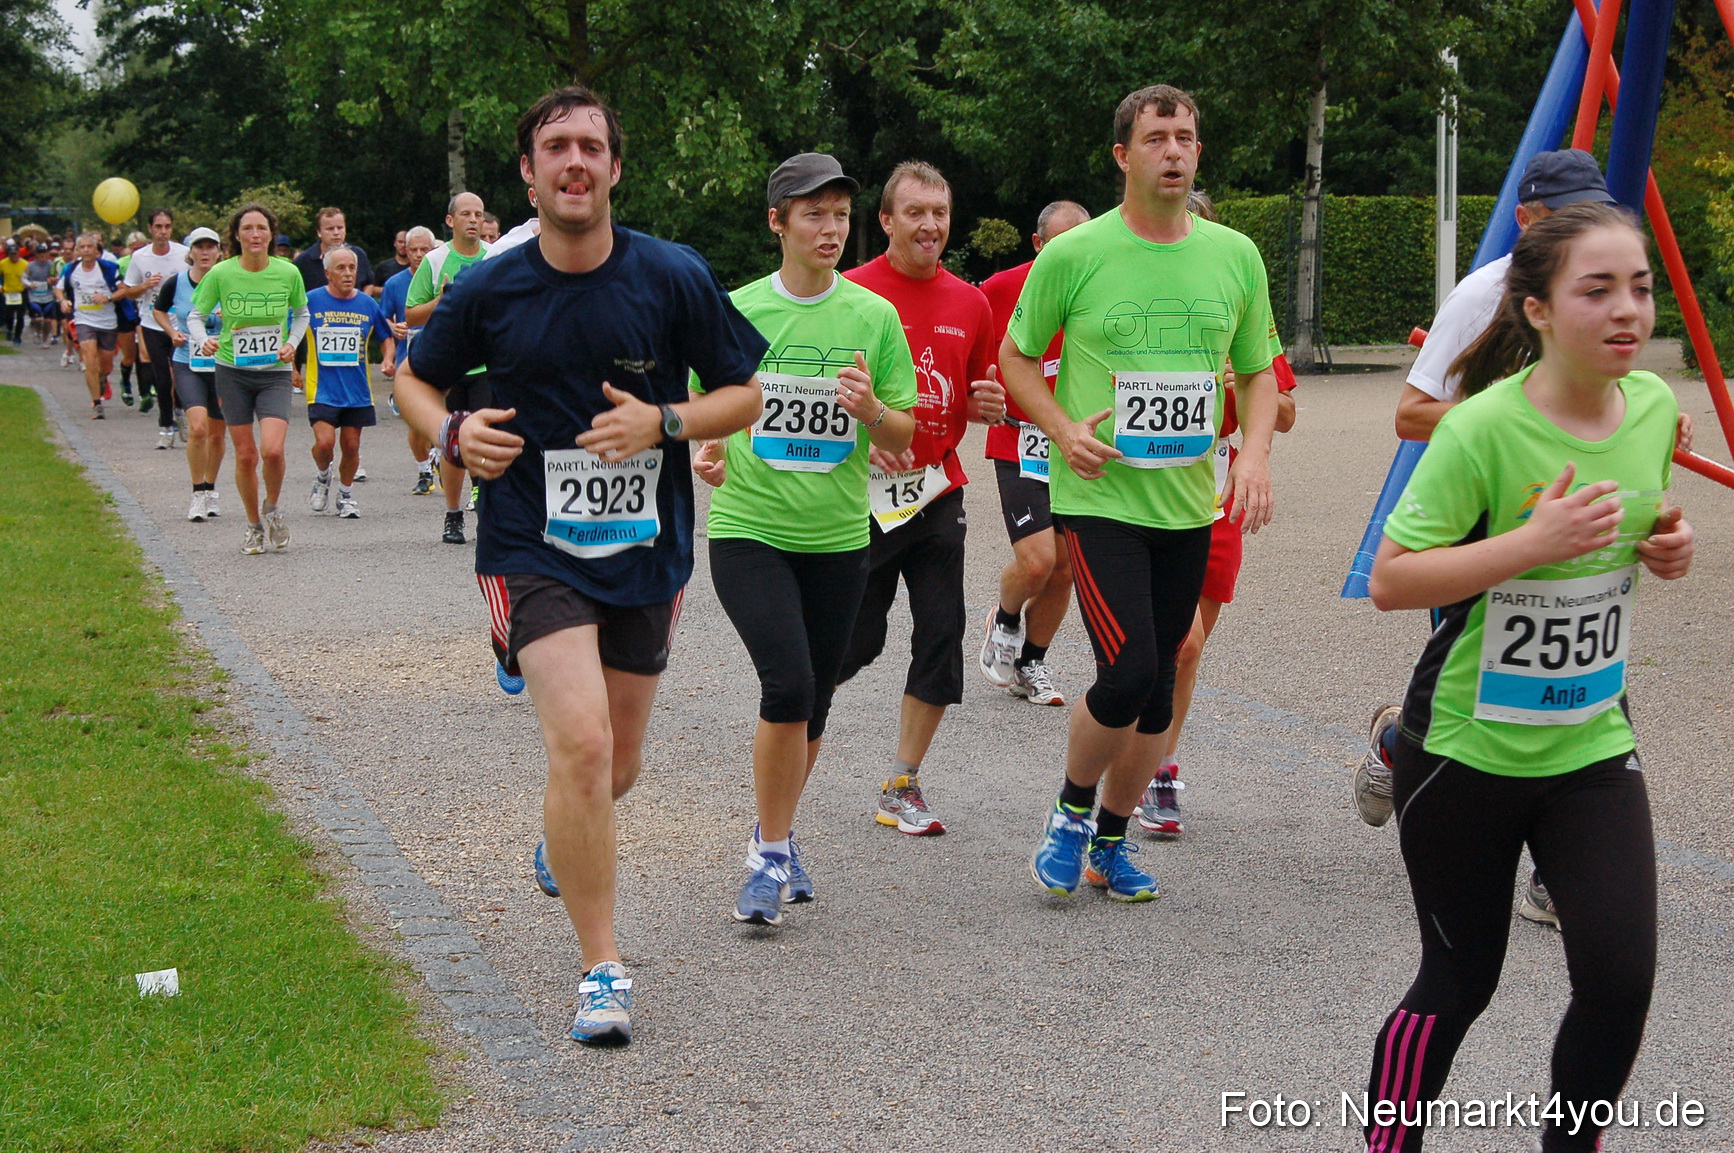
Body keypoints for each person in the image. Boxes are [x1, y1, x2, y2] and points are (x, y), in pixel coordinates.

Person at [392, 86, 766, 1046]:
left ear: (613, 167)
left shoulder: (672, 275)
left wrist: (665, 420)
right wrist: (451, 434)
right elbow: (416, 379)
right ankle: (603, 967)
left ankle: (567, 831)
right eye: (555, 146)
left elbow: (745, 393)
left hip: (645, 551)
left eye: (590, 147)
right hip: (528, 543)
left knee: (617, 763)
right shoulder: (490, 285)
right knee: (585, 747)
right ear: (528, 171)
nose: (573, 162)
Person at [1358, 202, 1692, 1153]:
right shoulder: (1481, 431)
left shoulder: (1657, 407)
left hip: (1592, 739)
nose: (1628, 309)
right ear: (1538, 309)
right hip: (1469, 748)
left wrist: (1666, 542)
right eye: (1597, 289)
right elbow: (1392, 579)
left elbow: (1638, 520)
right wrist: (1528, 543)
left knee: (1621, 980)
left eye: (1640, 287)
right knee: (1460, 984)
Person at [1005, 84, 1278, 902]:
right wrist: (1061, 427)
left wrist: (1255, 455)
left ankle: (1111, 844)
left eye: (1186, 137)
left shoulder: (1235, 256)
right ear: (1124, 155)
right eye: (1157, 137)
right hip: (1100, 500)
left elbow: (1259, 371)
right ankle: (1069, 812)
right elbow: (1017, 361)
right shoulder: (1075, 254)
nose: (1173, 150)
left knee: (1160, 684)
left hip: (1188, 501)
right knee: (1126, 671)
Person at [694, 153, 918, 926]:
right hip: (750, 529)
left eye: (840, 215)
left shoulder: (873, 317)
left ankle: (775, 836)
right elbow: (705, 408)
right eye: (813, 214)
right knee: (786, 685)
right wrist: (707, 447)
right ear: (777, 222)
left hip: (837, 537)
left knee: (814, 704)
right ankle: (767, 856)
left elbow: (908, 431)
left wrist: (871, 412)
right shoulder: (740, 309)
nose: (830, 229)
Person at [834, 160, 1003, 836]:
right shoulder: (849, 293)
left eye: (940, 212)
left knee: (942, 631)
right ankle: (796, 718)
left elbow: (976, 390)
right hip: (860, 499)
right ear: (886, 220)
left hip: (936, 490)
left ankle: (903, 780)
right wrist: (861, 437)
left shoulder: (972, 303)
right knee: (857, 640)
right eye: (915, 212)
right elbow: (819, 395)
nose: (930, 224)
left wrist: (988, 402)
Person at [1130, 188, 1299, 838]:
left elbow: (1283, 409)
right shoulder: (1138, 306)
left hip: (1215, 498)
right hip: (1140, 495)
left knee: (1190, 652)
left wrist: (1240, 385)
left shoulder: (1236, 307)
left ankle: (1160, 761)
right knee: (1177, 642)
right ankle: (1145, 760)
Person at [977, 200, 1091, 706]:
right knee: (1039, 558)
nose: (1072, 255)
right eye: (1060, 244)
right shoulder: (1001, 288)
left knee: (1067, 566)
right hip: (1021, 438)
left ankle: (1032, 663)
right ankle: (1004, 619)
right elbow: (978, 353)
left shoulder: (1104, 288)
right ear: (1039, 245)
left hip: (1079, 441)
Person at [188, 203, 310, 554]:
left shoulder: (287, 272)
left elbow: (301, 313)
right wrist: (202, 339)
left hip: (274, 373)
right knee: (245, 456)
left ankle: (272, 508)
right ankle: (253, 525)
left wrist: (290, 343)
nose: (255, 235)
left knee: (272, 450)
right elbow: (195, 315)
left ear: (271, 234)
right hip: (232, 371)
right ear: (236, 235)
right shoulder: (222, 273)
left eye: (261, 228)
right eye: (247, 229)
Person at [406, 191, 491, 543]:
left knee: (488, 439)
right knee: (453, 444)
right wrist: (441, 301)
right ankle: (453, 514)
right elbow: (411, 314)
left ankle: (489, 513)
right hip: (449, 366)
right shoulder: (435, 260)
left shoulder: (496, 257)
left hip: (488, 364)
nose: (474, 220)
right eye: (466, 214)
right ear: (450, 221)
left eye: (479, 214)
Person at [305, 247, 394, 518]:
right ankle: (322, 477)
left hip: (357, 390)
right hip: (321, 387)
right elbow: (291, 332)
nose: (347, 273)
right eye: (341, 268)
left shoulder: (367, 304)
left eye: (351, 268)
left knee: (352, 446)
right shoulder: (310, 301)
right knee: (324, 444)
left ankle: (345, 495)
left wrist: (388, 359)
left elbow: (386, 336)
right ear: (327, 273)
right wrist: (290, 367)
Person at [153, 227, 228, 521]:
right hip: (188, 362)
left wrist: (231, 319)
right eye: (200, 247)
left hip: (222, 363)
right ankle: (197, 493)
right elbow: (159, 309)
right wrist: (172, 331)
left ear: (220, 252)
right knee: (198, 428)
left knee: (219, 434)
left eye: (211, 247)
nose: (206, 252)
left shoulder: (228, 282)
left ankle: (211, 488)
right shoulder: (177, 283)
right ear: (191, 253)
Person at [122, 209, 191, 449]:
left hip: (179, 323)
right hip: (152, 323)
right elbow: (127, 290)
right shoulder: (140, 257)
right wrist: (144, 286)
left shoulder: (183, 254)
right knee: (162, 378)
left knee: (181, 374)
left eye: (167, 227)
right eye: (158, 227)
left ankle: (181, 413)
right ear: (150, 229)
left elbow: (196, 280)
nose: (163, 232)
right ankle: (165, 426)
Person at [379, 226, 441, 494]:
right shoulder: (394, 284)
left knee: (445, 416)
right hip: (410, 361)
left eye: (423, 249)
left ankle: (439, 457)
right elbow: (382, 319)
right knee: (416, 423)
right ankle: (424, 471)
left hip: (443, 358)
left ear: (432, 250)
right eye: (412, 249)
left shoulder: (441, 279)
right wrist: (393, 329)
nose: (417, 254)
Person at [54, 233, 122, 419]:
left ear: (96, 249)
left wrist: (107, 297)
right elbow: (59, 288)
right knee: (89, 359)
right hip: (84, 320)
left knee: (106, 366)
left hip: (107, 322)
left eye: (89, 247)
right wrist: (62, 301)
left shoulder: (109, 269)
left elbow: (123, 290)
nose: (85, 250)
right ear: (77, 250)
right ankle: (97, 403)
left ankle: (102, 379)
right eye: (81, 247)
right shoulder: (71, 269)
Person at [114, 232, 147, 407]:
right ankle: (125, 381)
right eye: (135, 249)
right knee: (129, 356)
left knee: (144, 355)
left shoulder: (152, 260)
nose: (138, 252)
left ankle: (145, 392)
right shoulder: (120, 264)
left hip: (145, 311)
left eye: (141, 248)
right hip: (126, 312)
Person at [25, 244, 57, 346]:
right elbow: (23, 278)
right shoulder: (30, 265)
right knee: (38, 319)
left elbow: (55, 278)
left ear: (47, 253)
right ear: (36, 254)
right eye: (40, 253)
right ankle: (38, 332)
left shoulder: (51, 265)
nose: (42, 255)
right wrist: (30, 284)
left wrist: (51, 280)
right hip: (34, 296)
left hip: (48, 296)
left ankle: (45, 340)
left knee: (48, 321)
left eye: (44, 253)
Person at [1, 239, 27, 346]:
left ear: (18, 254)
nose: (13, 257)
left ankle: (17, 337)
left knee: (20, 317)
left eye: (15, 254)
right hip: (8, 293)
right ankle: (9, 329)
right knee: (9, 316)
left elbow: (29, 277)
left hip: (21, 292)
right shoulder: (3, 263)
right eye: (11, 255)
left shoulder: (25, 264)